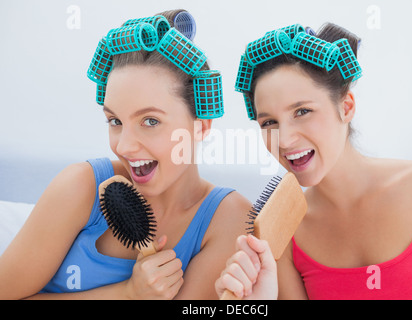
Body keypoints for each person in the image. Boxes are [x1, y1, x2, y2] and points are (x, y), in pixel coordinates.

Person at [0, 9, 250, 300]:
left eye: (150, 121)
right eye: (115, 121)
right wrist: (127, 293)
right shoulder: (81, 188)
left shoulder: (229, 219)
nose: (125, 146)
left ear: (201, 126)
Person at [216, 22, 412, 299]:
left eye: (302, 111)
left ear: (346, 106)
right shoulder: (286, 240)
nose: (285, 140)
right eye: (269, 122)